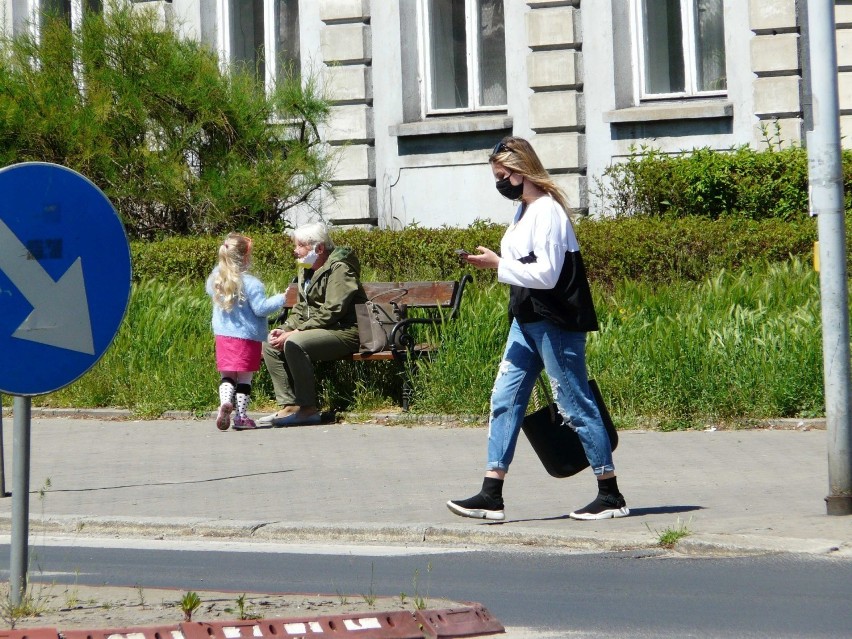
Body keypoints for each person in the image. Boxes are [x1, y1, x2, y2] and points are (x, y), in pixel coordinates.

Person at [446, 136, 629, 521]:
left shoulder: (548, 212)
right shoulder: (524, 212)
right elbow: (523, 266)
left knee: (575, 402)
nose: (499, 183)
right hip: (526, 321)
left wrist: (496, 265)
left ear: (519, 172)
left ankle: (610, 494)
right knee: (504, 400)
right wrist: (496, 262)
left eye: (501, 175)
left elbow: (545, 275)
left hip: (555, 321)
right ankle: (491, 494)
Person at [260, 222, 367, 426]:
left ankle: (308, 409)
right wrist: (285, 328)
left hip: (345, 330)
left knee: (294, 343)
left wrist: (297, 332)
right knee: (270, 343)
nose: (295, 250)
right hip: (319, 329)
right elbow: (302, 308)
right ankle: (289, 406)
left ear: (318, 248)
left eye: (300, 245)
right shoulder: (307, 269)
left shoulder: (341, 268)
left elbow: (333, 310)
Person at [206, 233, 285, 431]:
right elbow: (260, 308)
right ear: (246, 258)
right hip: (247, 338)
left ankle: (225, 402)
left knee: (227, 376)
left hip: (223, 336)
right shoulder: (252, 284)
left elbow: (211, 290)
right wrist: (282, 298)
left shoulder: (217, 279)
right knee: (245, 378)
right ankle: (241, 417)